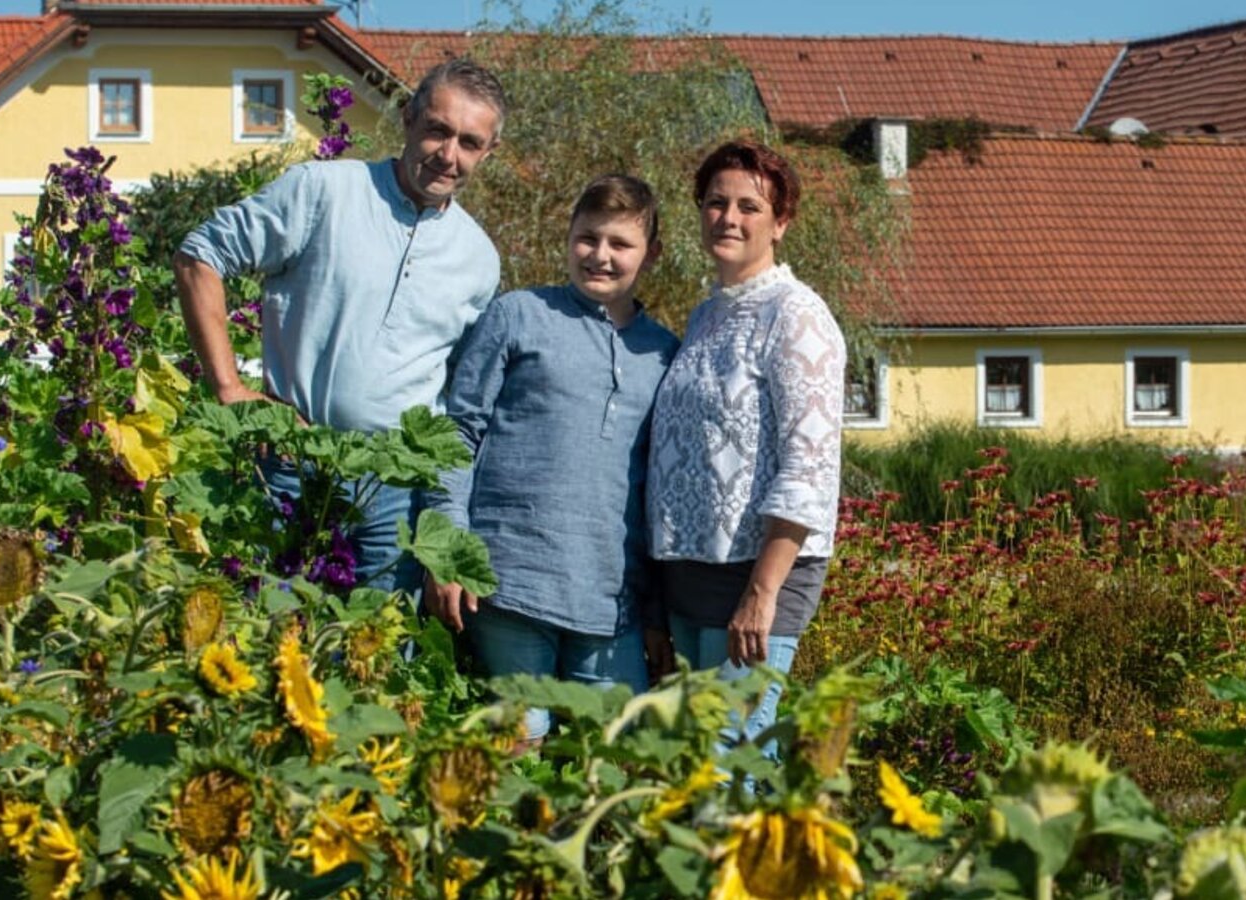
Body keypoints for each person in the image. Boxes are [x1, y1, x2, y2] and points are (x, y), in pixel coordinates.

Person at [172, 59, 506, 592]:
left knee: (375, 655)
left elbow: (461, 402)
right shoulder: (323, 192)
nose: (448, 155)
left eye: (469, 142)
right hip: (290, 466)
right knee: (265, 642)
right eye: (437, 130)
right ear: (407, 119)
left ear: (488, 153)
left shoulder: (479, 261)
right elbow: (200, 256)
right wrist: (230, 387)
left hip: (390, 491)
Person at [426, 175, 678, 742]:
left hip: (611, 598)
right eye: (587, 238)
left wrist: (656, 614)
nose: (601, 256)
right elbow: (458, 434)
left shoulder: (663, 353)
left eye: (620, 244)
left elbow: (659, 491)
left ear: (651, 254)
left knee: (618, 753)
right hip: (508, 580)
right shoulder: (517, 316)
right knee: (520, 742)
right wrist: (447, 552)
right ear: (568, 237)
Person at [644, 139, 846, 752]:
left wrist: (762, 594)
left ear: (780, 223)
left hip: (758, 579)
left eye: (749, 207)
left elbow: (808, 467)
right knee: (699, 766)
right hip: (690, 577)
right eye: (714, 202)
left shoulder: (797, 315)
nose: (728, 218)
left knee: (732, 766)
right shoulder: (707, 316)